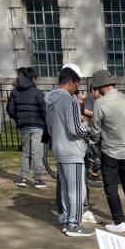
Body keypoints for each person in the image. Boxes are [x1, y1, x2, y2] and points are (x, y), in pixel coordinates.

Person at [89, 68, 125, 233]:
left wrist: (94, 141)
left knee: (111, 187)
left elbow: (95, 130)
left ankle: (119, 221)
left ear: (100, 86)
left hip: (110, 151)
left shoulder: (100, 103)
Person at [45, 66, 94, 237]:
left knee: (66, 189)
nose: (77, 88)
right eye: (77, 84)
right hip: (72, 150)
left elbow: (50, 128)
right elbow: (75, 129)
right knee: (77, 190)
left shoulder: (50, 101)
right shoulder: (70, 100)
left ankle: (67, 219)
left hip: (59, 148)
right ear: (71, 82)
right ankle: (74, 224)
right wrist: (87, 127)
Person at [6, 67, 47, 188]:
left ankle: (23, 178)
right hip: (37, 125)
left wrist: (19, 119)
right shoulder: (37, 92)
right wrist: (45, 121)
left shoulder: (14, 92)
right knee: (36, 153)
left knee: (25, 152)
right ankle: (38, 179)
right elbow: (44, 109)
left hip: (24, 126)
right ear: (33, 79)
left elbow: (10, 109)